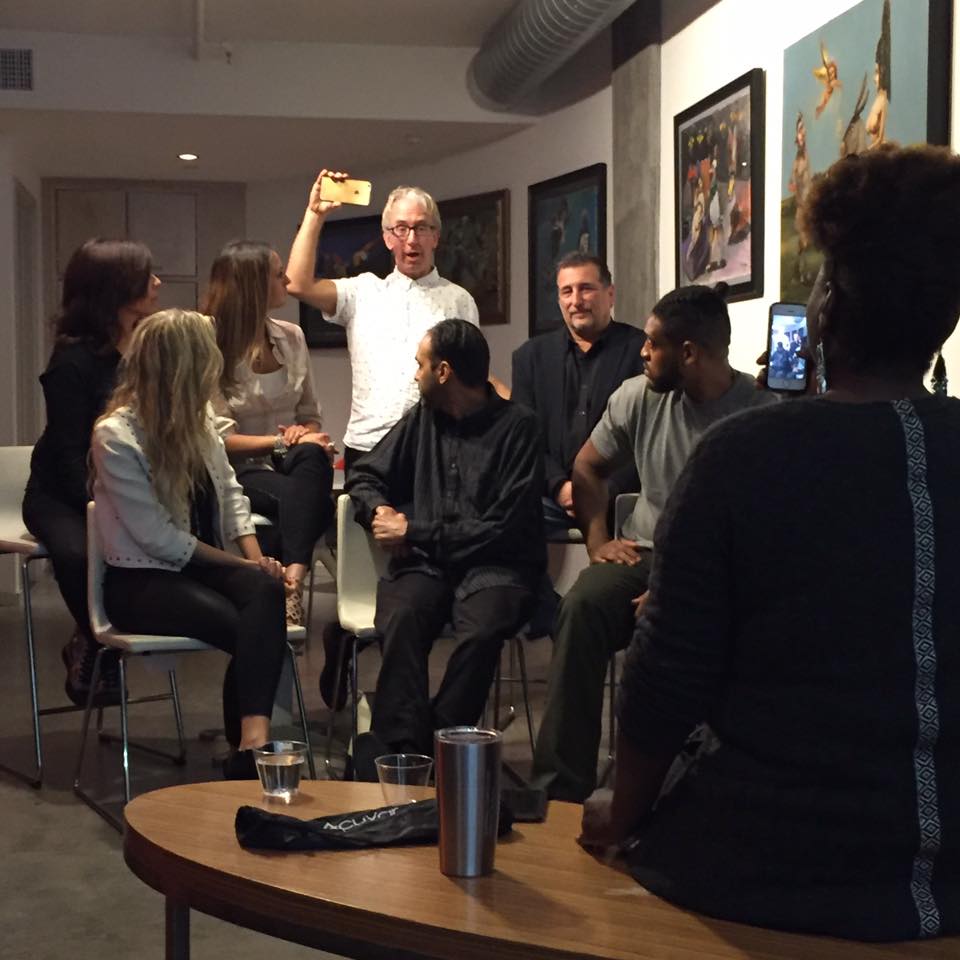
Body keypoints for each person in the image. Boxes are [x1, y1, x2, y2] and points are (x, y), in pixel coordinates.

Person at [580, 144, 960, 941]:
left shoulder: (743, 455)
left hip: (766, 868)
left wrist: (622, 808)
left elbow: (667, 674)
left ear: (826, 308)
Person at [530, 282, 777, 802]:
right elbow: (587, 467)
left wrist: (676, 591)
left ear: (688, 353)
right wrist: (597, 541)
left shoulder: (760, 413)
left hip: (720, 574)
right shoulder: (639, 396)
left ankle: (682, 791)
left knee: (686, 630)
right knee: (582, 606)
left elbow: (764, 535)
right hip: (643, 553)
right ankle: (559, 791)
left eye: (653, 343)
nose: (641, 352)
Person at [91, 308, 289, 779]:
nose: (215, 371)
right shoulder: (115, 435)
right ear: (184, 368)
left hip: (201, 568)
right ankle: (251, 754)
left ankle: (252, 743)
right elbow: (157, 538)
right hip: (140, 580)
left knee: (265, 593)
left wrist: (257, 561)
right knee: (250, 627)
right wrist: (243, 568)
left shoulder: (200, 423)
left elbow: (232, 496)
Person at [346, 319, 545, 771]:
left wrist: (413, 531)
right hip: (429, 564)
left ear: (444, 372)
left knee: (482, 631)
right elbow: (365, 474)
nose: (415, 374)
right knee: (402, 615)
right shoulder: (423, 419)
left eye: (421, 364)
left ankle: (443, 745)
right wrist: (380, 510)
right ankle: (404, 752)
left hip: (496, 565)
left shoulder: (520, 428)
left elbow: (501, 528)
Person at [22, 238, 160, 706]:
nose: (157, 283)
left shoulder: (148, 347)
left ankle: (101, 639)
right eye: (146, 276)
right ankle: (97, 640)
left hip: (127, 485)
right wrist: (105, 508)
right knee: (81, 553)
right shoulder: (73, 361)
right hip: (63, 494)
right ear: (117, 287)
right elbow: (67, 455)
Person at [285, 169, 480, 472]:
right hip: (368, 447)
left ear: (436, 237)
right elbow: (297, 283)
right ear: (388, 238)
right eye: (401, 228)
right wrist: (315, 214)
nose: (411, 239)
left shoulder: (459, 300)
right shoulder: (362, 292)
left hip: (437, 447)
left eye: (421, 228)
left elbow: (472, 378)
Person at [203, 241, 335, 626]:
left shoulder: (291, 336)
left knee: (312, 456)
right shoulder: (209, 341)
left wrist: (302, 433)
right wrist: (282, 440)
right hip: (235, 468)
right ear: (252, 285)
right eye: (278, 275)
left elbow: (310, 416)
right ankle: (287, 589)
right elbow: (218, 440)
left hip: (289, 460)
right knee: (313, 501)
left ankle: (291, 580)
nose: (287, 281)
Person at [511, 252, 644, 538]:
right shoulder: (530, 358)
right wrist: (560, 487)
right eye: (567, 291)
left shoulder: (641, 351)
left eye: (586, 288)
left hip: (620, 500)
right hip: (551, 501)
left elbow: (648, 439)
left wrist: (601, 491)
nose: (576, 300)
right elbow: (524, 439)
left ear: (610, 294)